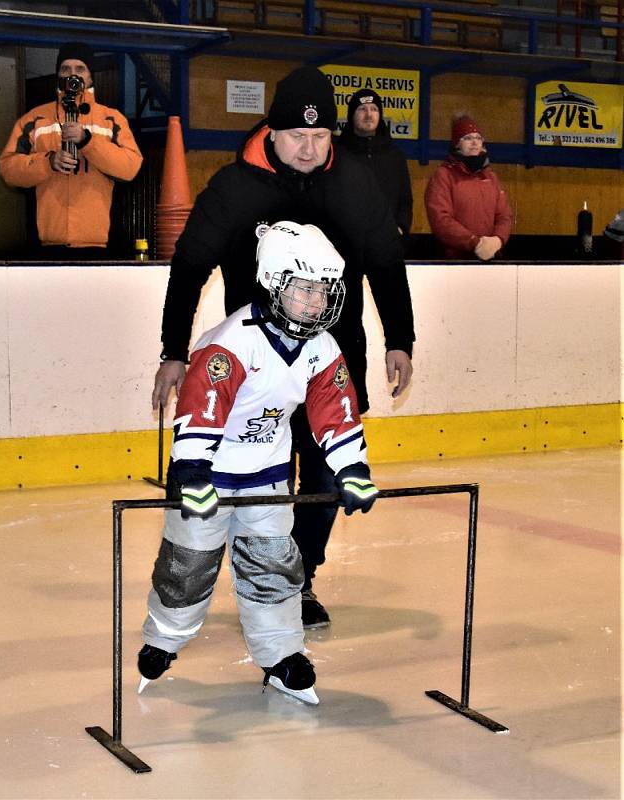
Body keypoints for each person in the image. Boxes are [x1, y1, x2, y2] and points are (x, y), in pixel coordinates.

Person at [152, 65, 415, 630]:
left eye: (321, 137)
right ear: (272, 131)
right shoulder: (235, 186)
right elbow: (190, 264)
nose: (309, 148)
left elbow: (387, 265)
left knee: (323, 477)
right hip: (255, 369)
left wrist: (401, 339)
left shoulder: (353, 181)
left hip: (334, 358)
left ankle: (302, 579)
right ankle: (259, 576)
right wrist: (174, 349)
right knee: (267, 476)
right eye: (298, 136)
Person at [138, 221, 380, 705]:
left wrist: (351, 468)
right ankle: (163, 639)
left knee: (273, 566)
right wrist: (190, 472)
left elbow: (335, 409)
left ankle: (280, 656)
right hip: (207, 477)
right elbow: (203, 407)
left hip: (268, 477)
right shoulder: (230, 341)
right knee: (188, 565)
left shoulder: (321, 346)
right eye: (304, 289)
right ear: (272, 282)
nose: (315, 302)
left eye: (324, 291)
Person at [0, 42, 143, 259]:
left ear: (91, 77)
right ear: (57, 75)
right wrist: (48, 162)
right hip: (47, 245)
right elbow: (8, 168)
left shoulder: (111, 119)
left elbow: (130, 166)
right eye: (65, 69)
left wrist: (88, 142)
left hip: (98, 245)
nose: (72, 74)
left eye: (80, 69)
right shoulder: (34, 119)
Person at [424, 114, 512, 260]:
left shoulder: (491, 177)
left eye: (478, 138)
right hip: (454, 261)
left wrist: (498, 240)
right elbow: (441, 219)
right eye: (468, 138)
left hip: (491, 259)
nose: (474, 143)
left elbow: (504, 215)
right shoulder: (443, 176)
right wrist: (474, 243)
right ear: (457, 144)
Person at [336, 88, 413, 241]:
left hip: (387, 241)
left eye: (374, 109)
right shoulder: (337, 154)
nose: (369, 114)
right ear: (352, 114)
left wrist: (401, 227)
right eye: (362, 109)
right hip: (346, 242)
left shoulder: (395, 156)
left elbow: (405, 200)